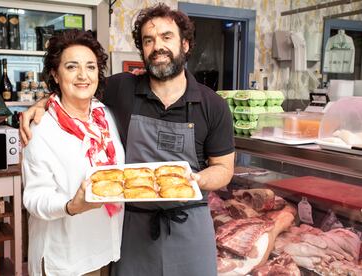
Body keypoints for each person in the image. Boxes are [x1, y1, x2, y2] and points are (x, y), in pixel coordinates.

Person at [20, 4, 234, 276]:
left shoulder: (213, 105)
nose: (158, 46)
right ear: (142, 49)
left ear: (186, 44)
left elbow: (224, 169)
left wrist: (197, 180)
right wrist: (41, 103)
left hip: (189, 222)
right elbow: (77, 87)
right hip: (132, 229)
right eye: (148, 40)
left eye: (167, 37)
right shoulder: (122, 88)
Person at [22, 29, 125, 276]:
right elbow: (34, 198)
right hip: (65, 258)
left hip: (105, 249)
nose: (83, 75)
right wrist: (71, 206)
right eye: (71, 67)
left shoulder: (105, 115)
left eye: (90, 67)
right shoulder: (42, 127)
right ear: (55, 75)